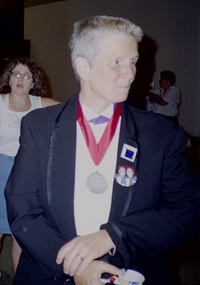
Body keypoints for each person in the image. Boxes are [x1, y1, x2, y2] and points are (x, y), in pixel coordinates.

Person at [5, 16, 199, 285]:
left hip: (130, 273)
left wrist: (113, 236)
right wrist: (72, 266)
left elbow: (187, 209)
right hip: (51, 272)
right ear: (83, 67)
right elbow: (22, 209)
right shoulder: (39, 127)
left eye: (133, 61)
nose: (130, 72)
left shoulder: (161, 135)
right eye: (117, 62)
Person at [0, 57, 60, 273]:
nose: (20, 79)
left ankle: (18, 277)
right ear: (9, 78)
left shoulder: (40, 104)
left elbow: (71, 110)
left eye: (27, 76)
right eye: (16, 74)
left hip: (26, 173)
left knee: (22, 233)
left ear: (33, 83)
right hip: (0, 170)